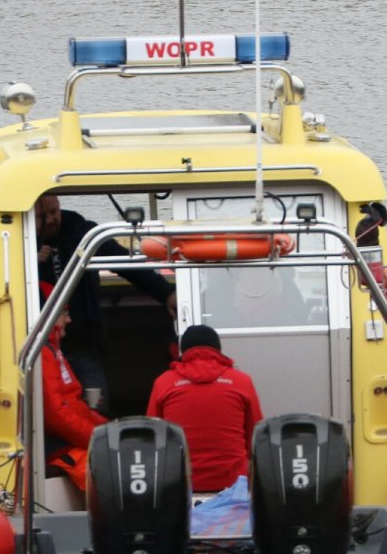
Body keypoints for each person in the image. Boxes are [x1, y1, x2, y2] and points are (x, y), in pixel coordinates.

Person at [35, 193, 176, 405]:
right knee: (47, 409)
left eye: (54, 212)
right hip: (40, 351)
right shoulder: (19, 243)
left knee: (97, 406)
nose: (51, 220)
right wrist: (32, 262)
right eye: (41, 216)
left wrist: (166, 293)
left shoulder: (83, 232)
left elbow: (127, 265)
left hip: (82, 347)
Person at [146, 325, 263, 493]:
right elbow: (257, 438)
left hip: (179, 484)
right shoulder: (242, 381)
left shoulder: (163, 383)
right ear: (218, 350)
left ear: (182, 351)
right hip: (234, 484)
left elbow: (153, 438)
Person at [38, 283, 107, 491]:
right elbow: (56, 415)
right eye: (63, 314)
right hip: (61, 449)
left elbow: (72, 404)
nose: (69, 320)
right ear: (48, 316)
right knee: (114, 478)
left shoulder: (52, 351)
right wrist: (98, 439)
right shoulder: (43, 354)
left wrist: (106, 429)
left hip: (72, 443)